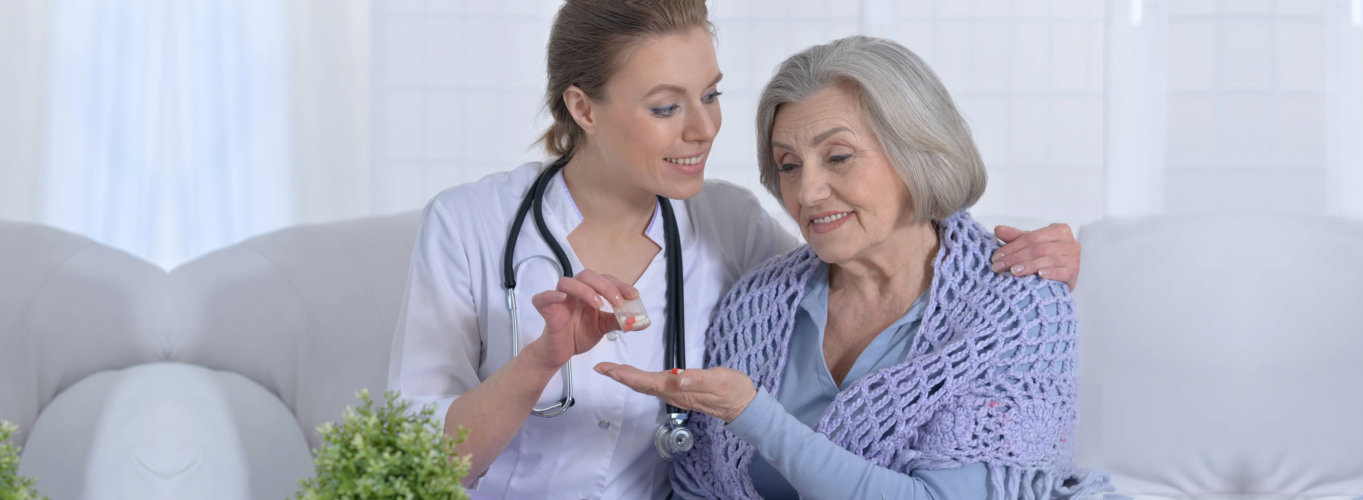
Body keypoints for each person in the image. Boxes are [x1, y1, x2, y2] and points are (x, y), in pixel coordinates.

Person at [385, 2, 1082, 498]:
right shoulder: (468, 225)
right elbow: (411, 462)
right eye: (666, 106)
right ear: (583, 109)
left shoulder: (729, 224)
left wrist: (1036, 264)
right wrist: (541, 360)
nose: (704, 129)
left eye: (711, 95)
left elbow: (872, 245)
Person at [598, 36, 1105, 499]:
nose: (807, 192)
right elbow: (702, 485)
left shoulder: (1016, 310)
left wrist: (751, 414)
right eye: (789, 165)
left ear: (917, 152)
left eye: (838, 157)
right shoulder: (754, 307)